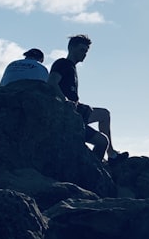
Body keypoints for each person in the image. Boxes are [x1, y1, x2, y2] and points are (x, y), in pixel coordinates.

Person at [47, 34, 126, 162]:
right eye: (82, 50)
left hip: (76, 109)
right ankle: (93, 167)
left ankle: (111, 154)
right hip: (66, 112)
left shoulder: (72, 68)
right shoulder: (63, 63)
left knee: (104, 114)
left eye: (86, 51)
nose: (84, 54)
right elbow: (51, 82)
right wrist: (65, 101)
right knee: (102, 141)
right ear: (71, 48)